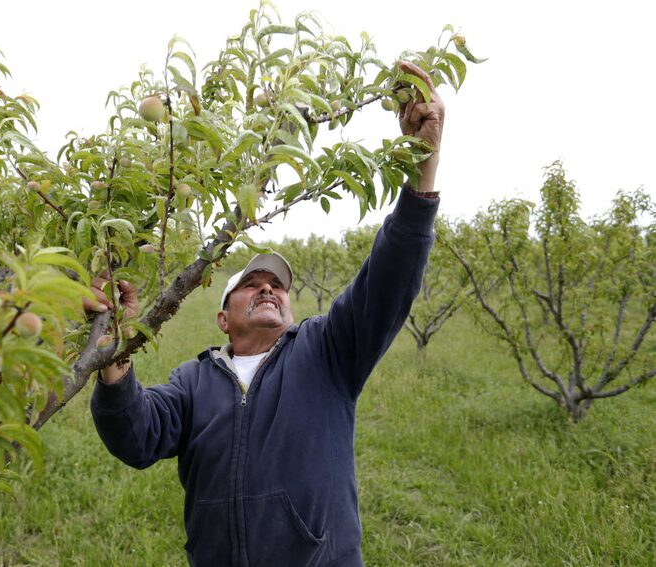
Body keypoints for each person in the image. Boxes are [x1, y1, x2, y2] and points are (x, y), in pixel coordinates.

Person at [84, 61, 444, 567]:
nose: (268, 288)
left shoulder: (326, 353)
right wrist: (113, 356)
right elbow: (136, 437)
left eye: (277, 285)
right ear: (223, 320)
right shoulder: (193, 382)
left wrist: (420, 167)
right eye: (250, 285)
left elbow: (388, 277)